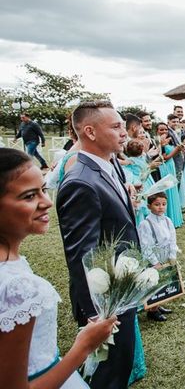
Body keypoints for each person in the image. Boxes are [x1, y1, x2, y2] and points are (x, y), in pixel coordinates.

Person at [0, 148, 117, 389]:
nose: (47, 202)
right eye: (29, 196)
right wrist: (84, 346)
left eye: (43, 189)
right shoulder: (19, 288)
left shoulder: (11, 265)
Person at [56, 101, 140, 389]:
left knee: (122, 364)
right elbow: (80, 253)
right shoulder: (80, 182)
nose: (124, 133)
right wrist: (95, 313)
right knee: (108, 376)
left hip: (123, 286)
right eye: (116, 127)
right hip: (105, 300)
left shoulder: (110, 163)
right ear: (90, 132)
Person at [137, 193, 177, 323]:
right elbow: (145, 245)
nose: (161, 207)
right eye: (157, 204)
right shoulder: (146, 224)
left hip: (165, 255)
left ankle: (159, 304)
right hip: (154, 257)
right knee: (153, 283)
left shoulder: (167, 220)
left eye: (164, 204)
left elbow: (172, 239)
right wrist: (155, 262)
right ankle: (152, 310)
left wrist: (172, 255)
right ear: (149, 206)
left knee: (164, 281)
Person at [156, 122, 184, 229]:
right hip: (165, 168)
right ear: (157, 131)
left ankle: (174, 218)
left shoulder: (168, 141)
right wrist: (177, 150)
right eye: (161, 130)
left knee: (173, 191)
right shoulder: (158, 143)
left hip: (171, 167)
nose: (164, 132)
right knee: (167, 192)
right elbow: (164, 157)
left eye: (165, 130)